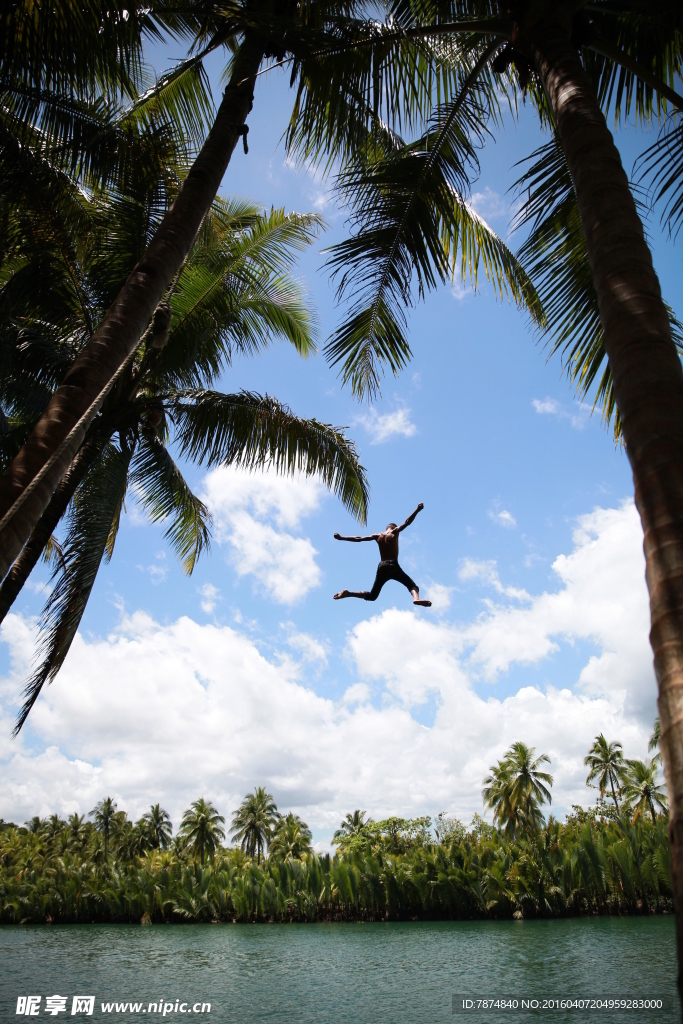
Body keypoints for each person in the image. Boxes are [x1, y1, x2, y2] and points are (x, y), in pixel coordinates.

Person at [333, 502, 431, 607]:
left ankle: (349, 593)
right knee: (412, 585)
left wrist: (342, 537)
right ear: (394, 528)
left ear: (386, 528)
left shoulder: (378, 536)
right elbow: (407, 522)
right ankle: (416, 599)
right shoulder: (395, 532)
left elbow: (359, 538)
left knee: (372, 596)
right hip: (393, 565)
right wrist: (417, 509)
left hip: (382, 567)